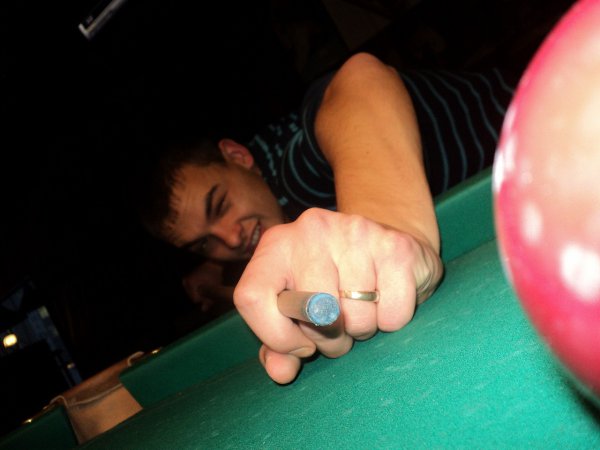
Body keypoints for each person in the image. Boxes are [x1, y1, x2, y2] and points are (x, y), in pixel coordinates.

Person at [137, 52, 515, 384]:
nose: (231, 239)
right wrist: (214, 275)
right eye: (205, 242)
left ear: (238, 156)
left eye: (220, 205)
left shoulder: (293, 170)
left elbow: (359, 79)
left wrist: (390, 230)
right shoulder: (269, 218)